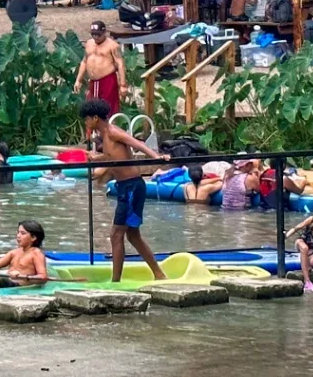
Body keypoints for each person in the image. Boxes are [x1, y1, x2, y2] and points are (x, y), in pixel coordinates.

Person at [82, 97, 165, 282]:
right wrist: (97, 158)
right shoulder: (104, 136)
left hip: (132, 187)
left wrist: (157, 157)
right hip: (125, 187)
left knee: (116, 234)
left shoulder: (112, 131)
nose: (86, 123)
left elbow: (137, 144)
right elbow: (113, 156)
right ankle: (158, 274)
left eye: (87, 119)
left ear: (95, 118)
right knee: (132, 235)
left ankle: (116, 281)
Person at [74, 20, 126, 113]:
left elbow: (120, 64)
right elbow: (84, 62)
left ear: (104, 32)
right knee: (91, 109)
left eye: (98, 35)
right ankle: (93, 128)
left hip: (107, 80)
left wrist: (123, 85)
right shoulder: (89, 43)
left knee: (108, 109)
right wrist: (78, 80)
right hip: (93, 81)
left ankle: (109, 126)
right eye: (93, 35)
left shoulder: (112, 45)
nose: (96, 37)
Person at [159, 160, 227, 205]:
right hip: (204, 215)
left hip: (189, 216)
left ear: (189, 176)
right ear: (202, 175)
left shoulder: (186, 187)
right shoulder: (207, 188)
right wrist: (221, 176)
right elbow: (221, 183)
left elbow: (198, 183)